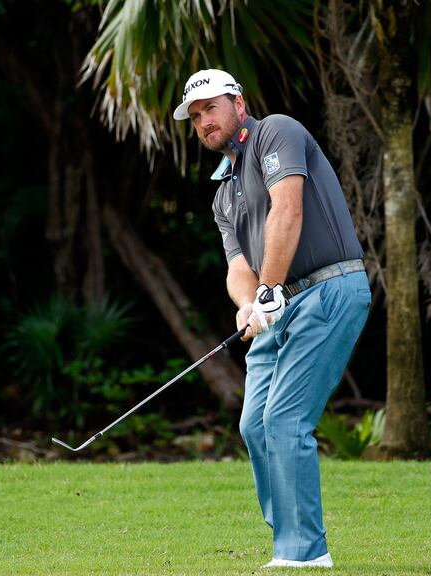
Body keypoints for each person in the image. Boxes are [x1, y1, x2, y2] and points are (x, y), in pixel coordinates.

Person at [173, 69, 372, 569]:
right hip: (276, 303)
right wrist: (248, 304)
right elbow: (238, 266)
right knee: (255, 426)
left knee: (285, 420)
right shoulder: (223, 193)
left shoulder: (276, 132)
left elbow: (288, 212)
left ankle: (305, 554)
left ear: (238, 103)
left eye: (210, 108)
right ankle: (288, 541)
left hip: (328, 289)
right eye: (195, 117)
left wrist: (268, 292)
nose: (203, 122)